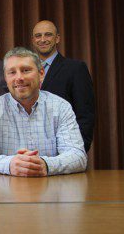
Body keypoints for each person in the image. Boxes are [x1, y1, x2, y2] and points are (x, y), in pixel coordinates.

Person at [0, 47, 87, 176]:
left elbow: (78, 155)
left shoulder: (61, 107)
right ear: (5, 78)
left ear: (41, 74)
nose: (19, 77)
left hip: (52, 191)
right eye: (12, 72)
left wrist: (45, 165)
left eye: (26, 70)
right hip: (6, 192)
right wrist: (10, 164)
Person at [31, 20, 95, 152]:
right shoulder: (26, 71)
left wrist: (78, 150)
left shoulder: (75, 69)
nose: (42, 39)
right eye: (38, 36)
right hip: (31, 151)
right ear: (33, 40)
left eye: (48, 35)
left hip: (64, 150)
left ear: (57, 38)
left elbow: (85, 114)